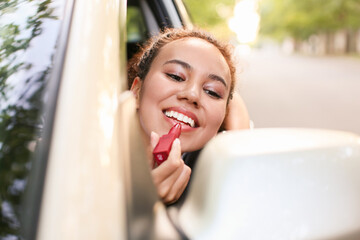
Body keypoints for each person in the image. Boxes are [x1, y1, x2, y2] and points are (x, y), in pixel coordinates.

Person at [128, 28, 249, 205]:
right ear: (137, 90)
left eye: (212, 92)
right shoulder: (87, 155)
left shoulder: (213, 182)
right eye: (175, 76)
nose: (192, 95)